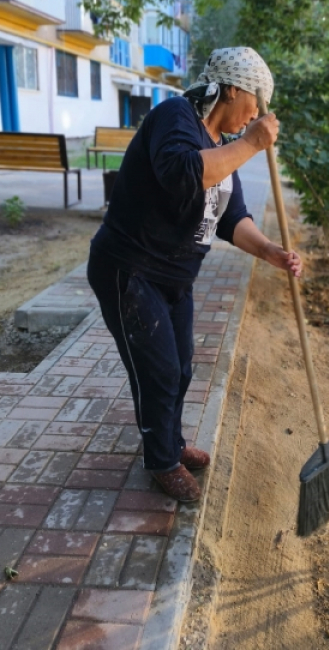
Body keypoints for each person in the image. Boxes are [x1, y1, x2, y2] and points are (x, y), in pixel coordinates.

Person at [87, 47, 302, 502]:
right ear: (234, 89)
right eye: (256, 103)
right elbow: (182, 172)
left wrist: (270, 252)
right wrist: (252, 144)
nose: (257, 115)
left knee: (181, 368)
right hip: (129, 268)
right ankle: (161, 460)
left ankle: (172, 442)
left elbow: (231, 218)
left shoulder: (224, 147)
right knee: (158, 370)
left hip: (173, 278)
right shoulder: (175, 118)